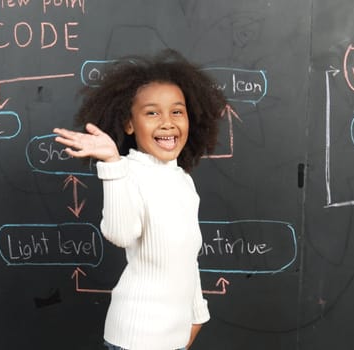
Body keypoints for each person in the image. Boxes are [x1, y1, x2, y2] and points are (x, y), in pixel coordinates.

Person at [53, 49, 227, 350]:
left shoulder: (183, 180)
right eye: (152, 113)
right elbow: (121, 234)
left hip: (175, 338)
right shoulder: (126, 171)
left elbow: (187, 261)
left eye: (177, 111)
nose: (167, 122)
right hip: (136, 340)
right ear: (129, 124)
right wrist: (111, 162)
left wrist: (198, 316)